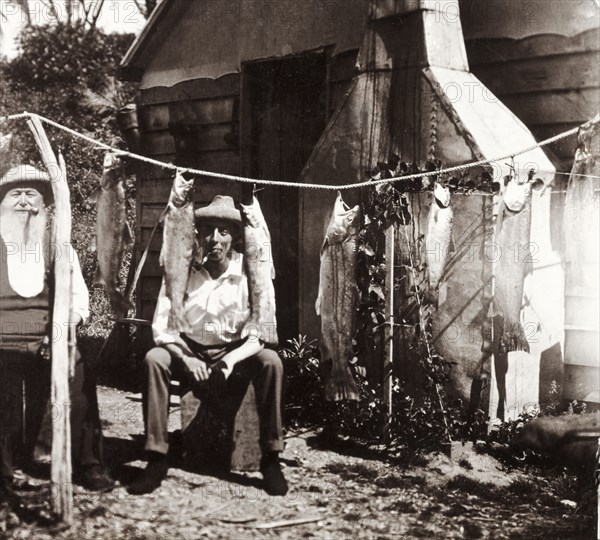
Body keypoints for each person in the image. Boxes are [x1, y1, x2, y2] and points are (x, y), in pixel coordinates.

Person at [128, 195, 288, 496]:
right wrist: (187, 359)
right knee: (154, 359)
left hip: (236, 352)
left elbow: (260, 331)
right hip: (189, 349)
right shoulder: (182, 269)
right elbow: (162, 327)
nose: (215, 239)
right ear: (197, 234)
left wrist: (229, 362)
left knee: (271, 362)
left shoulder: (251, 270)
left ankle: (271, 458)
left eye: (224, 232)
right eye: (208, 230)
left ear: (236, 238)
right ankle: (156, 457)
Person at [0, 165, 114, 499]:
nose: (24, 202)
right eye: (14, 195)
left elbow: (79, 301)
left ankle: (87, 462)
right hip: (2, 342)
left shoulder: (59, 247)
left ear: (45, 203)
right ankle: (4, 473)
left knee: (77, 371)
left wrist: (61, 332)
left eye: (31, 195)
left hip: (48, 340)